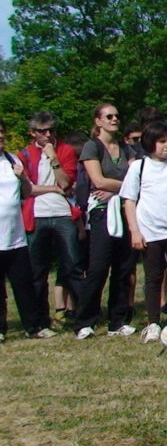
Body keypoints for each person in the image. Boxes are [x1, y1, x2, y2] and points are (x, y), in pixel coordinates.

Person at [120, 121, 167, 344]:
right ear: (150, 143)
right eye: (162, 141)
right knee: (153, 277)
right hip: (149, 232)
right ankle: (153, 323)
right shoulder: (138, 167)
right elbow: (129, 201)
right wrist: (134, 231)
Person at [73, 104, 137, 340]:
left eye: (117, 115)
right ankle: (85, 321)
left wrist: (116, 191)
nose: (114, 119)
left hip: (124, 210)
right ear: (98, 121)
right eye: (109, 116)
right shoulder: (92, 147)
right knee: (98, 268)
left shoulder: (126, 148)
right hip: (102, 213)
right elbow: (98, 181)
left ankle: (117, 321)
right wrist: (122, 187)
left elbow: (136, 179)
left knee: (123, 268)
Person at [18, 110, 83, 338]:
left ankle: (84, 318)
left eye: (51, 131)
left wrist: (54, 158)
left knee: (73, 265)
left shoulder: (64, 150)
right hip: (36, 214)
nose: (47, 135)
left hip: (63, 213)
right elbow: (27, 189)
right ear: (33, 132)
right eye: (42, 131)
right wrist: (53, 188)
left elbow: (66, 184)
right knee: (37, 271)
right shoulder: (24, 154)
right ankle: (40, 321)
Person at [0, 118, 34, 342]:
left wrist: (22, 177)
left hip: (15, 236)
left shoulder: (11, 160)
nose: (1, 137)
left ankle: (33, 325)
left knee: (24, 284)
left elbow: (26, 192)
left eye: (2, 133)